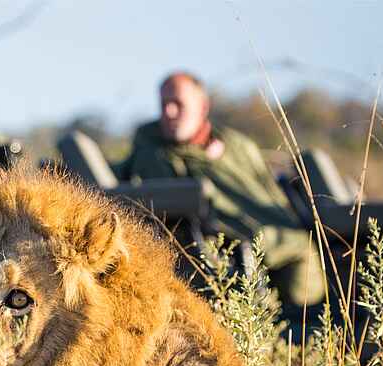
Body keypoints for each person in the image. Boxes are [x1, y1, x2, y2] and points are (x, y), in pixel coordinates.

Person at [120, 71, 325, 307]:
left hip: (279, 238)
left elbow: (268, 191)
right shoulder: (152, 150)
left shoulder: (236, 145)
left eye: (178, 104)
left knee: (300, 255)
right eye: (164, 104)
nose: (169, 112)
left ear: (202, 107)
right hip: (225, 243)